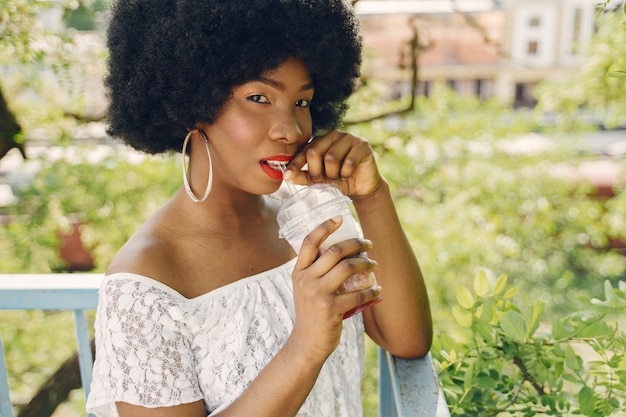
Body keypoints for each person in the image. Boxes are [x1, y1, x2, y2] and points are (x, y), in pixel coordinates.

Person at [86, 1, 433, 416]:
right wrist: (306, 347)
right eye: (258, 98)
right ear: (194, 102)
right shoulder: (145, 284)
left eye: (302, 103)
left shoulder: (307, 213)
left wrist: (372, 197)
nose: (290, 130)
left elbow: (407, 340)